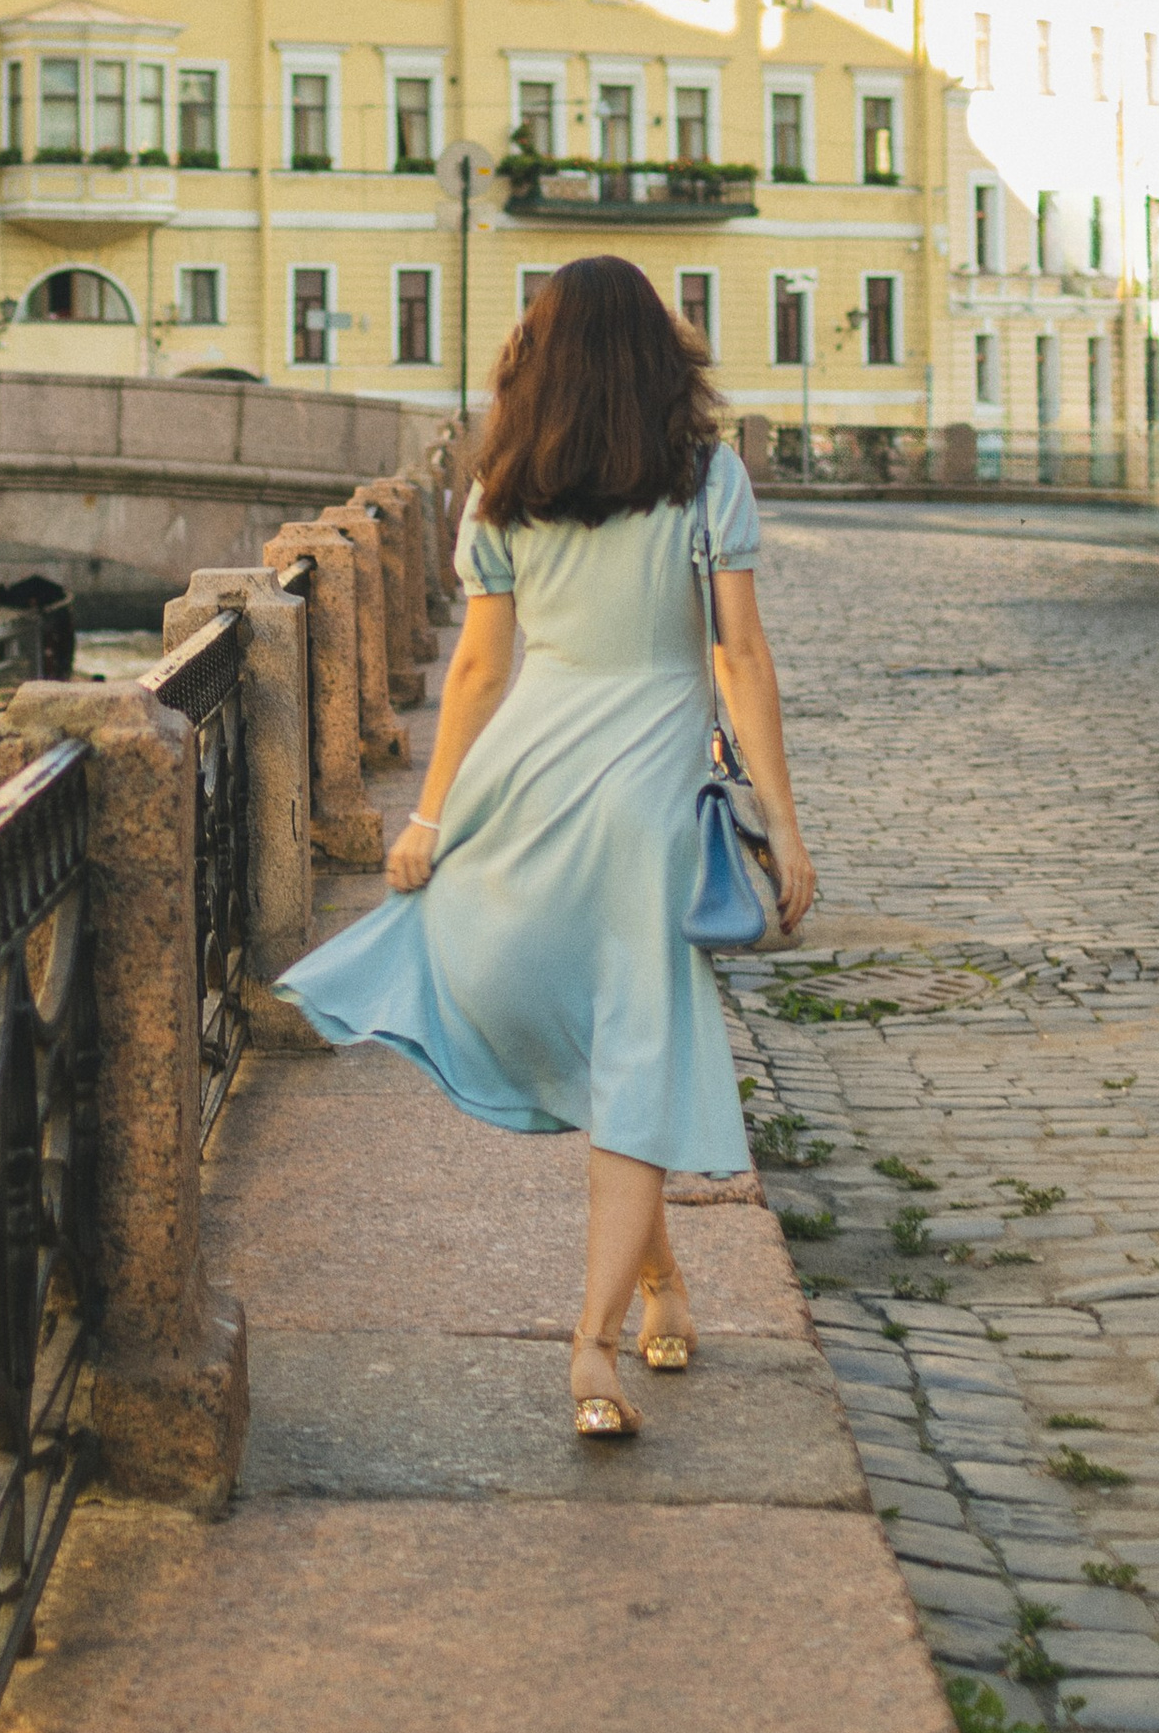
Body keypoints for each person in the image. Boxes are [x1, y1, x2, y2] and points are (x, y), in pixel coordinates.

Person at [278, 254, 816, 1440]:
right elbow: (739, 659)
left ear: (542, 358)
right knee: (631, 1038)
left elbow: (476, 668)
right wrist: (780, 819)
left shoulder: (503, 484)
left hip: (526, 777)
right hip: (646, 796)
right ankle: (593, 1342)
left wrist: (429, 817)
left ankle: (653, 1288)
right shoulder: (706, 476)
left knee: (607, 1036)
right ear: (657, 357)